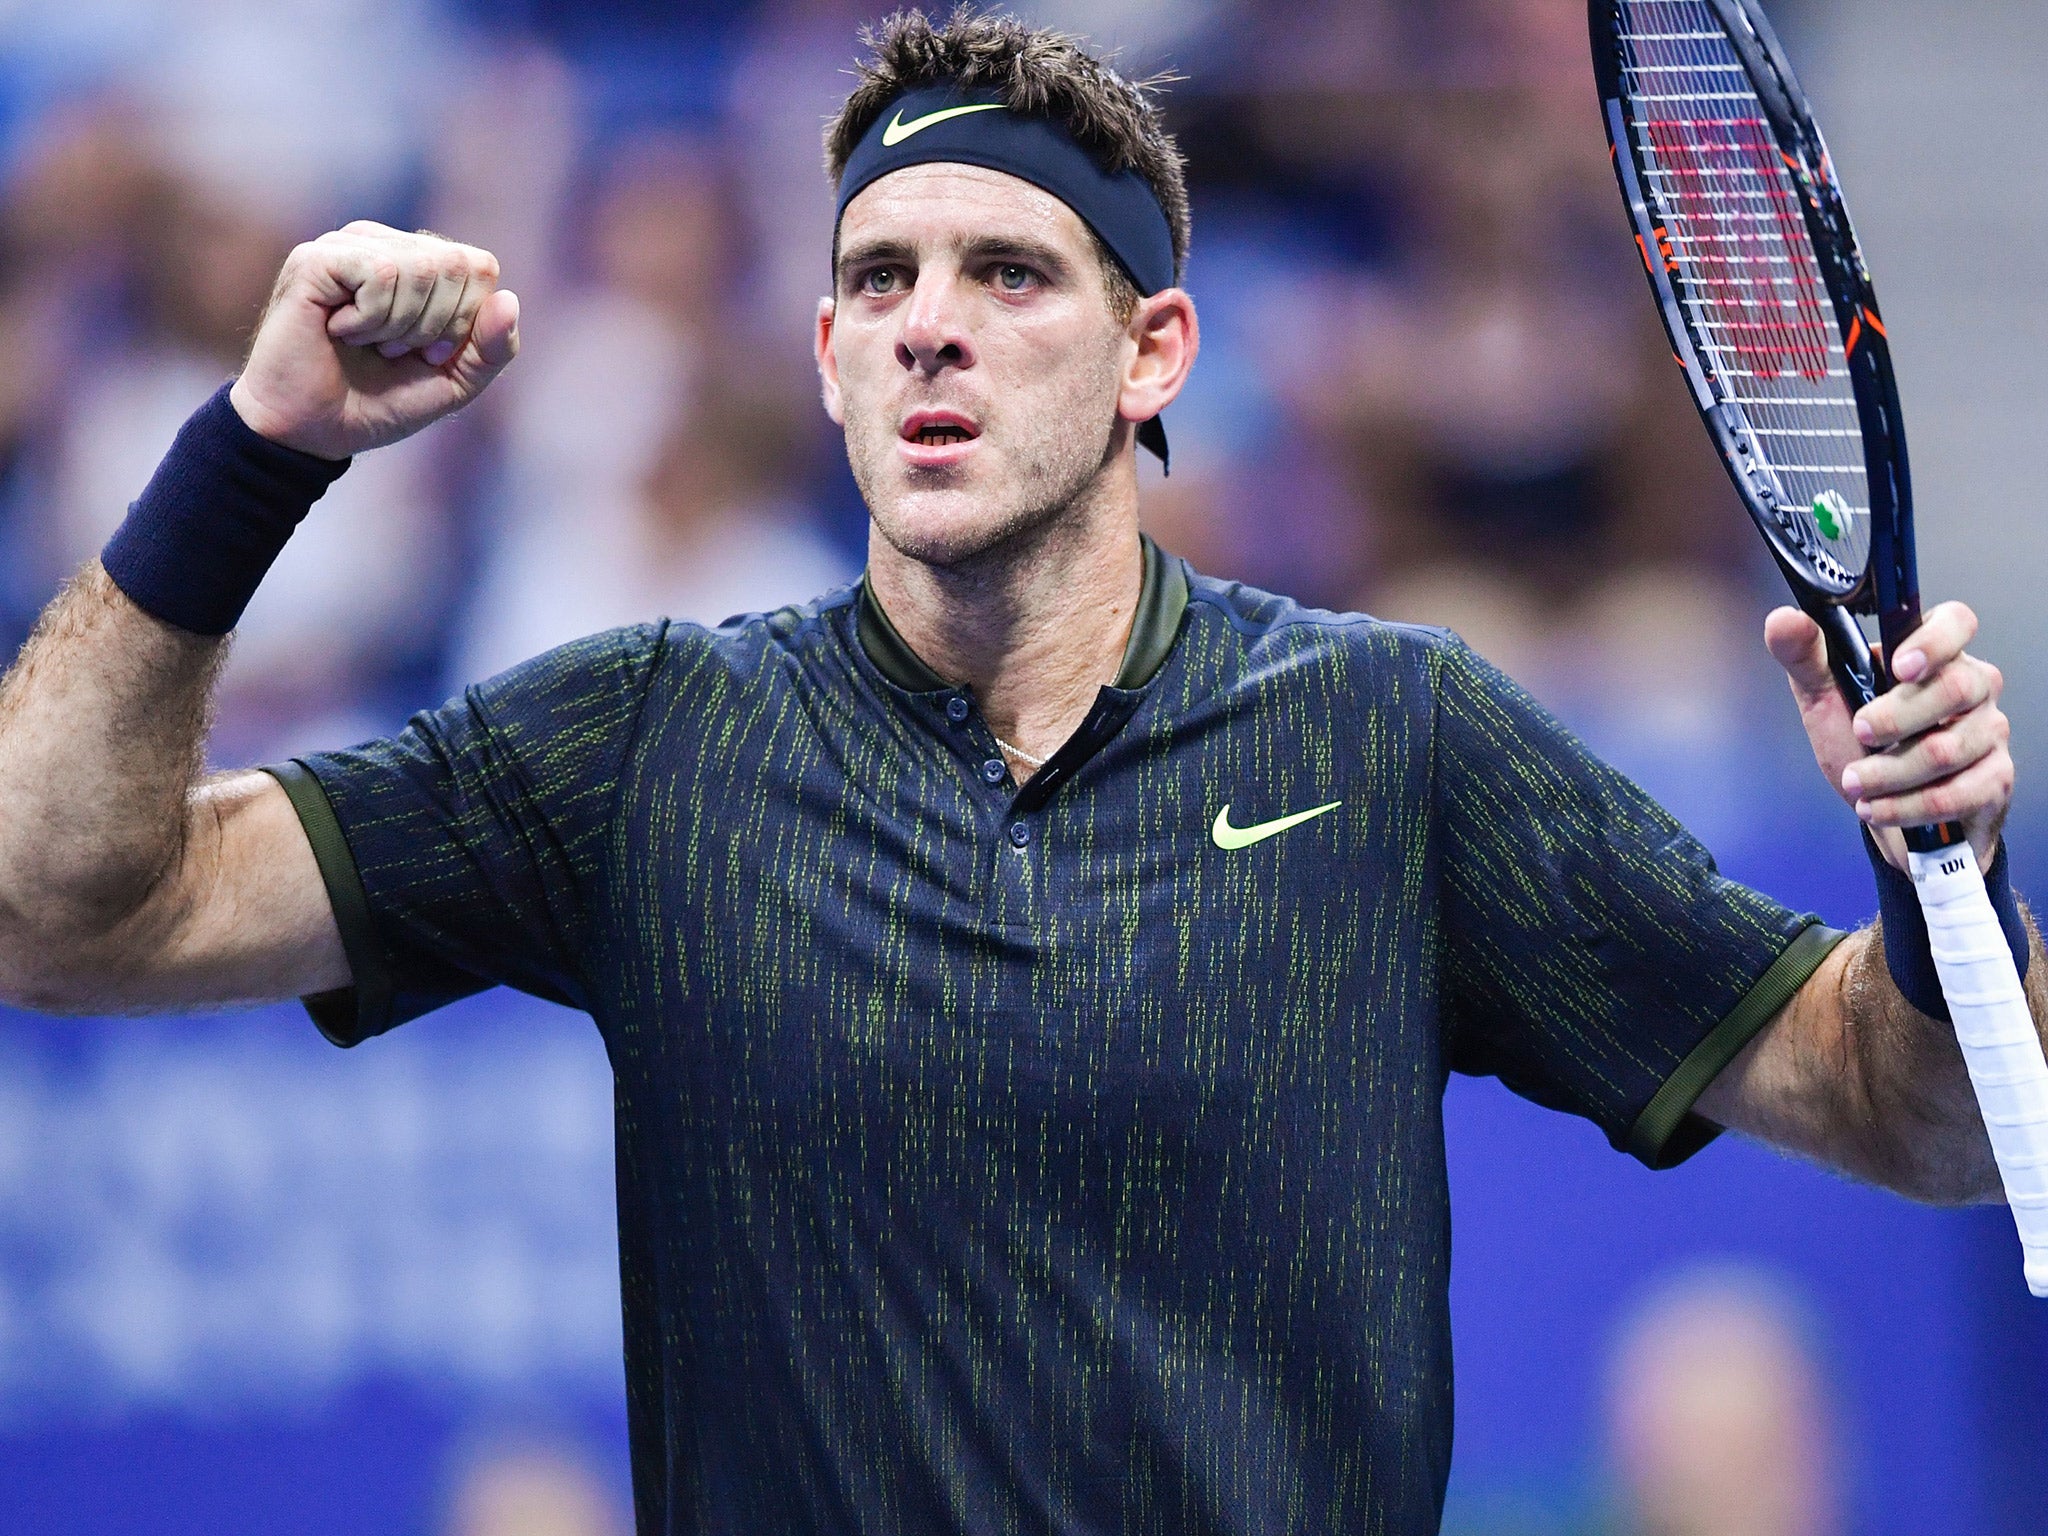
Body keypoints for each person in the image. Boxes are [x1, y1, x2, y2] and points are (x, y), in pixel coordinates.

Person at [0, 11, 2037, 1535]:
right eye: (878, 283)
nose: (929, 332)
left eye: (1009, 275)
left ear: (1155, 353)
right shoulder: (640, 745)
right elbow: (60, 912)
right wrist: (252, 454)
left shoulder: (1390, 736)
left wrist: (1934, 881)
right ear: (820, 358)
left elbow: (1919, 1121)